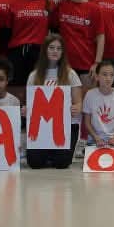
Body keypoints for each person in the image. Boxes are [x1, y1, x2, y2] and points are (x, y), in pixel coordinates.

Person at [25, 34, 83, 169]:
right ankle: (47, 152)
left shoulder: (70, 74)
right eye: (51, 48)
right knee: (35, 163)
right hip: (42, 128)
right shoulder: (34, 76)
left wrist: (76, 108)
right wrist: (25, 110)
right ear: (44, 50)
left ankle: (52, 152)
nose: (55, 51)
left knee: (62, 163)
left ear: (62, 52)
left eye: (59, 48)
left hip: (66, 127)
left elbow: (79, 103)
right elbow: (30, 105)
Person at [8, 0, 54, 102]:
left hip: (39, 52)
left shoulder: (49, 3)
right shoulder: (15, 3)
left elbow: (54, 29)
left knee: (38, 88)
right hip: (17, 52)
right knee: (17, 89)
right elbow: (8, 30)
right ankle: (19, 120)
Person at [54, 0, 104, 84]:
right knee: (66, 100)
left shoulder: (94, 9)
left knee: (87, 99)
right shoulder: (61, 5)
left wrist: (97, 63)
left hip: (87, 64)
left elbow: (100, 37)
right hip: (65, 65)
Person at [82, 61, 114, 150]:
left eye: (112, 75)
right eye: (104, 74)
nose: (108, 78)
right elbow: (87, 122)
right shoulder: (90, 94)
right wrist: (96, 137)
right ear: (97, 77)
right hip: (94, 141)